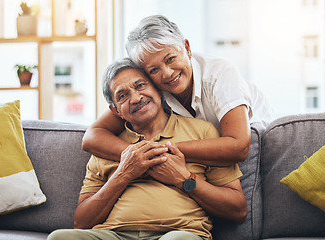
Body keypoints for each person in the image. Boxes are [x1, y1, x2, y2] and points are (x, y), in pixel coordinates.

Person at [47, 58, 247, 240]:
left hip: (177, 234)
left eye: (140, 85)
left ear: (159, 90)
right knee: (59, 238)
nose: (135, 98)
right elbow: (81, 222)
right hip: (113, 235)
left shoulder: (202, 132)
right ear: (116, 111)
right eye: (123, 96)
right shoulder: (107, 147)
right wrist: (124, 174)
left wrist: (184, 179)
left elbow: (238, 210)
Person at [82, 15, 274, 167]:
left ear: (187, 48)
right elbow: (92, 137)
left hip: (259, 152)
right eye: (153, 70)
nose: (167, 74)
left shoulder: (220, 73)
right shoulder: (151, 91)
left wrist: (160, 150)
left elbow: (239, 147)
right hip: (200, 161)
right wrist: (138, 155)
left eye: (170, 59)